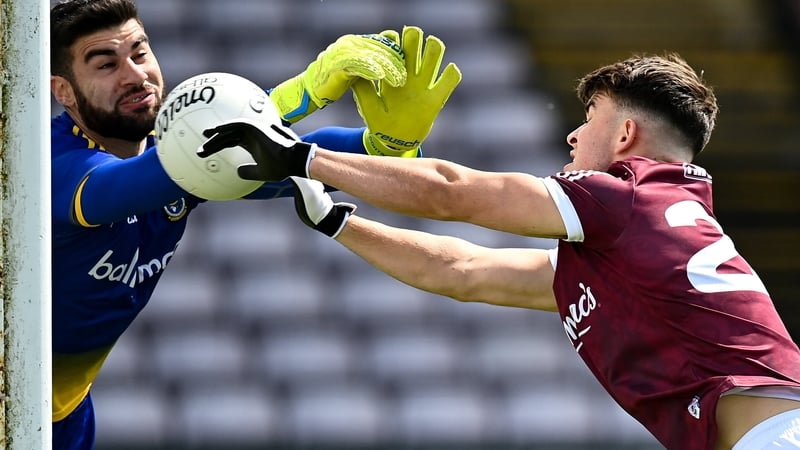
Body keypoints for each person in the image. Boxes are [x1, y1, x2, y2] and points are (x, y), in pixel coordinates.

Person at [200, 53, 800, 449]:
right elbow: (463, 271)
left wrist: (300, 155)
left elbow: (452, 193)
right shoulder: (643, 234)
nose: (570, 134)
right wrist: (340, 223)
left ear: (624, 136)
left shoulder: (620, 198)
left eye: (588, 116)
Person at [49, 0, 461, 448]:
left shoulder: (172, 161)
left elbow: (299, 159)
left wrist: (386, 146)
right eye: (106, 64)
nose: (134, 75)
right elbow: (138, 181)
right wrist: (303, 92)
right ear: (64, 91)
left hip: (65, 410)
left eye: (140, 53)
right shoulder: (54, 167)